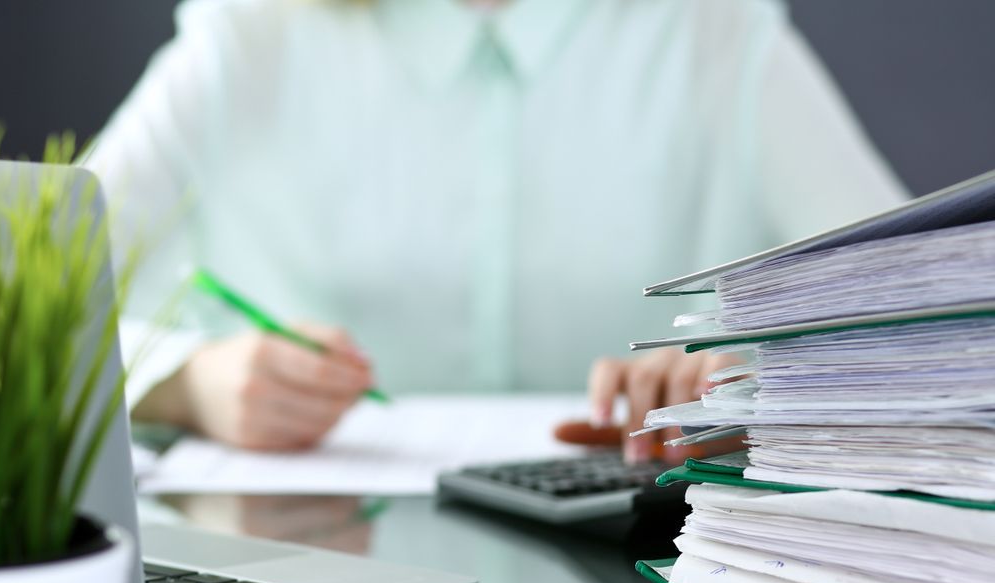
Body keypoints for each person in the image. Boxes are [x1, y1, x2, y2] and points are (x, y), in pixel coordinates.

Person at [87, 0, 907, 463]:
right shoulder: (244, 37)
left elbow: (921, 318)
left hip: (658, 578)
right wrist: (183, 385)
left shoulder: (718, 35)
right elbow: (20, 304)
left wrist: (752, 384)